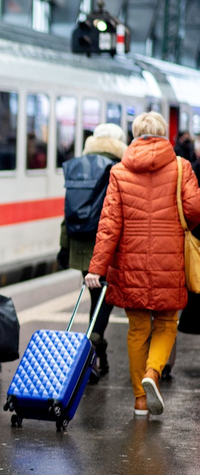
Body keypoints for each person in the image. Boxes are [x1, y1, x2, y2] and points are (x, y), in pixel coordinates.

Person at [87, 112, 200, 417]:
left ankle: (139, 399)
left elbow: (109, 225)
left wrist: (96, 268)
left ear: (135, 134)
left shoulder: (119, 171)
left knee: (137, 330)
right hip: (170, 260)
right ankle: (153, 371)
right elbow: (194, 210)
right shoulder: (181, 166)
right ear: (164, 133)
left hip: (130, 263)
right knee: (166, 323)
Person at [58, 123, 127, 381]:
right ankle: (94, 344)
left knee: (95, 295)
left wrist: (64, 247)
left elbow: (67, 211)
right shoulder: (119, 168)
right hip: (108, 245)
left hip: (80, 245)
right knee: (104, 301)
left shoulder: (78, 165)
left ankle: (96, 356)